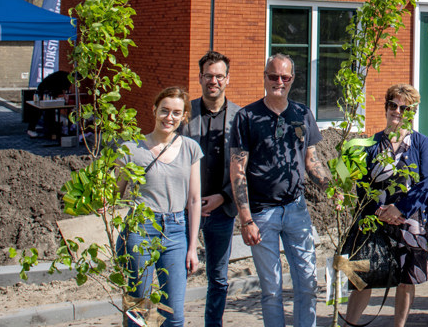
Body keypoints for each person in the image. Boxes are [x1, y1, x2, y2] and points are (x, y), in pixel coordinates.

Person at [229, 54, 328, 327]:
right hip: (262, 214)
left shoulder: (302, 113)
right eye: (274, 76)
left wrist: (330, 185)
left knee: (308, 283)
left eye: (285, 77)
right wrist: (246, 218)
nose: (279, 82)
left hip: (296, 209)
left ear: (292, 80)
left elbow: (312, 160)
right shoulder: (247, 117)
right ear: (264, 77)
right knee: (271, 289)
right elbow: (238, 170)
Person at [345, 84, 428, 327]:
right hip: (376, 220)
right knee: (363, 277)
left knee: (406, 280)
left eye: (404, 107)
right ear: (386, 107)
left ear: (412, 111)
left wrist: (400, 210)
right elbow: (361, 184)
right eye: (393, 105)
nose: (398, 111)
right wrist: (379, 211)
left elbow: (426, 182)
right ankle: (349, 323)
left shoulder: (421, 143)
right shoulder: (371, 144)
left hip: (411, 220)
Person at [120, 86, 202, 327]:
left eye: (177, 113)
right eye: (165, 111)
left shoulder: (190, 148)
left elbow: (194, 200)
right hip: (139, 231)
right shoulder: (132, 149)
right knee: (138, 310)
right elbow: (115, 193)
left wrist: (193, 245)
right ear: (154, 110)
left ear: (184, 116)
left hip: (176, 231)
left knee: (173, 315)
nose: (170, 117)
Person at [183, 51, 242, 327]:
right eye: (209, 76)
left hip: (221, 210)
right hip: (184, 210)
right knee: (175, 273)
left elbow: (247, 168)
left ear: (227, 79)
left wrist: (223, 197)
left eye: (219, 76)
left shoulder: (241, 118)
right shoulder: (184, 114)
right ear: (200, 78)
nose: (214, 81)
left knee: (218, 279)